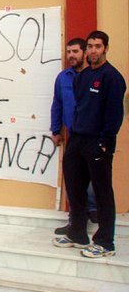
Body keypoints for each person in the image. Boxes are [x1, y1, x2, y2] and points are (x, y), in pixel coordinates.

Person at [52, 31, 126, 258]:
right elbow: (80, 108)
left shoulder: (112, 77)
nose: (94, 50)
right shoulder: (82, 77)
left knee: (102, 191)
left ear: (105, 49)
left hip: (98, 142)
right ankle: (77, 233)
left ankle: (105, 242)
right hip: (78, 139)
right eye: (91, 46)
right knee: (75, 186)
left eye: (98, 46)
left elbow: (114, 114)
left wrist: (104, 141)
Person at [51, 38, 97, 235]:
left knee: (93, 176)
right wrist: (55, 130)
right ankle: (75, 220)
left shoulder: (93, 76)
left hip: (92, 136)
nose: (71, 55)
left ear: (84, 53)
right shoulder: (63, 77)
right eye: (68, 52)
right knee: (72, 177)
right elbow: (58, 104)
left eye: (75, 51)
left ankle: (93, 210)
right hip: (72, 135)